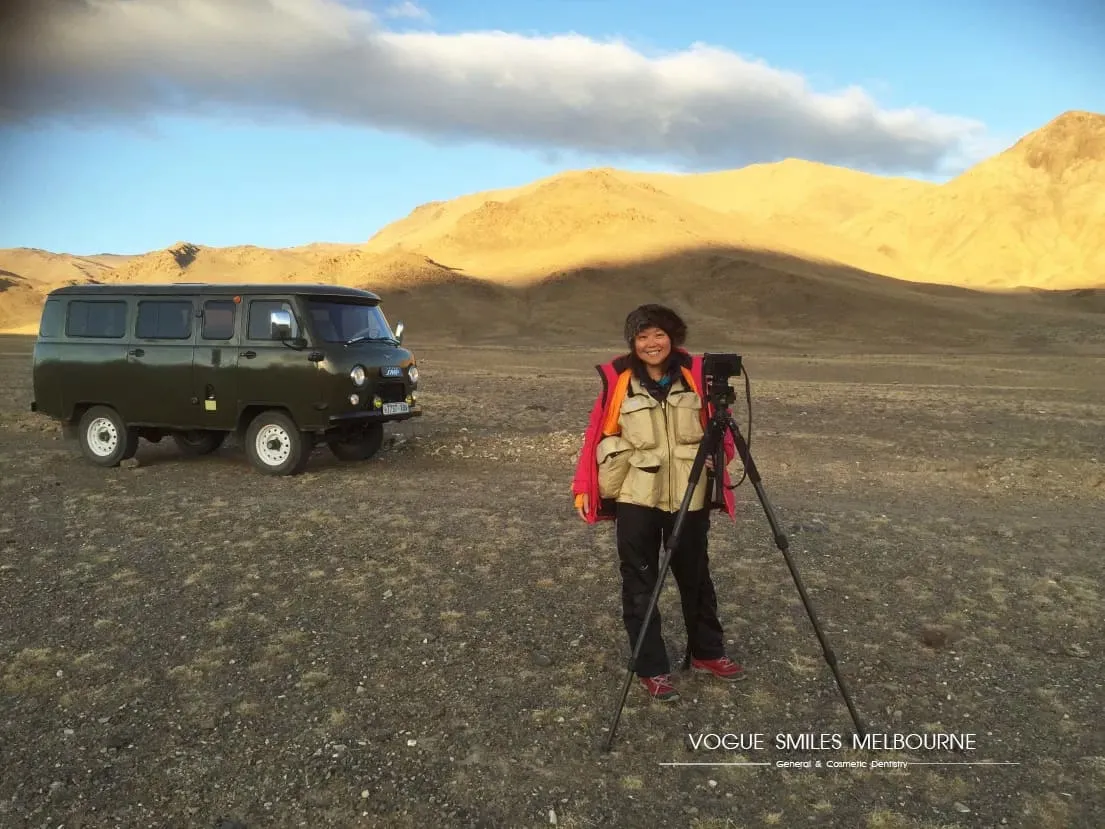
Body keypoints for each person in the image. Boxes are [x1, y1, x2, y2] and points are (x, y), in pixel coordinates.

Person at [572, 303, 746, 703]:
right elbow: (596, 435)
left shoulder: (696, 377)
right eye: (642, 336)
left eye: (659, 335)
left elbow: (724, 441)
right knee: (639, 581)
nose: (652, 343)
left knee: (696, 576)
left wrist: (722, 453)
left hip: (691, 494)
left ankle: (707, 652)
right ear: (633, 343)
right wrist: (585, 485)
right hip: (637, 496)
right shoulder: (619, 382)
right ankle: (651, 667)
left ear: (674, 337)